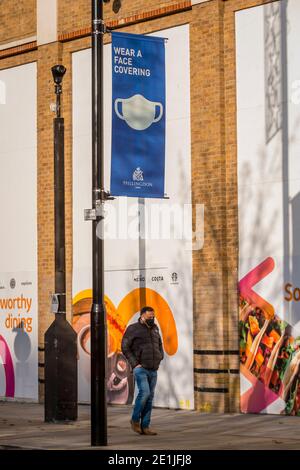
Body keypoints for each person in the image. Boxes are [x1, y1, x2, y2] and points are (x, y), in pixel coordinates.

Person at [121, 306, 164, 435]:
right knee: (144, 393)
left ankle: (145, 426)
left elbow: (159, 344)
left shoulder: (155, 328)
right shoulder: (133, 329)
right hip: (141, 368)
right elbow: (125, 347)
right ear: (142, 315)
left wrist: (160, 356)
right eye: (149, 317)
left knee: (150, 397)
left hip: (153, 368)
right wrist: (134, 364)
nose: (152, 319)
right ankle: (134, 420)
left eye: (153, 317)